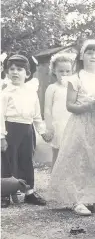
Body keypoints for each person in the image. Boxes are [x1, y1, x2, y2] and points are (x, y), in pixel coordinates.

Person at [49, 39, 95, 216]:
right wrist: (88, 106)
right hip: (81, 123)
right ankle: (78, 199)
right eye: (89, 52)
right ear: (82, 55)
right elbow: (70, 106)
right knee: (80, 160)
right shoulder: (76, 78)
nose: (93, 56)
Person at [1, 54, 51, 206]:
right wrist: (2, 136)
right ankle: (4, 194)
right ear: (7, 73)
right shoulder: (5, 93)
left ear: (27, 74)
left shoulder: (31, 93)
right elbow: (0, 115)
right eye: (12, 69)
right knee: (8, 161)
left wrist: (42, 131)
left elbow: (36, 116)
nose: (15, 72)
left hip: (27, 130)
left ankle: (29, 192)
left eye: (19, 69)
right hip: (10, 129)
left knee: (26, 160)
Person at [44, 52, 75, 169]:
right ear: (54, 71)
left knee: (72, 155)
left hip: (71, 124)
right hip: (58, 125)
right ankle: (54, 182)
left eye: (68, 71)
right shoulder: (52, 88)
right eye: (61, 71)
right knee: (57, 154)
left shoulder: (74, 87)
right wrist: (49, 127)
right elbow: (47, 109)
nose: (64, 74)